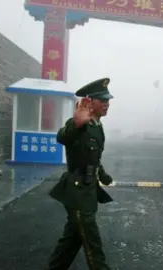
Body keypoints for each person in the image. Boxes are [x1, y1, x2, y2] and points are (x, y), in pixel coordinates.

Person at [46, 78, 115, 270]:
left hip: (89, 191)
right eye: (102, 100)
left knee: (73, 239)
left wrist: (103, 174)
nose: (106, 104)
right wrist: (76, 124)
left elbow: (92, 158)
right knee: (92, 241)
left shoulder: (97, 127)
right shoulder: (80, 123)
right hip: (77, 192)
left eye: (108, 100)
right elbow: (62, 137)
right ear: (89, 102)